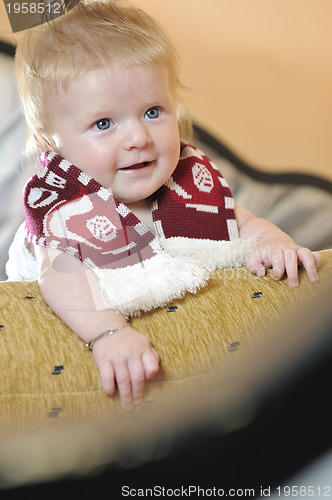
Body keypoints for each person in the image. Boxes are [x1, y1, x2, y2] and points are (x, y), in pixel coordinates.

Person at [8, 0, 320, 411]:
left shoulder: (192, 184)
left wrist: (274, 243)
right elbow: (60, 278)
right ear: (50, 143)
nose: (138, 137)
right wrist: (108, 334)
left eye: (153, 111)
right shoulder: (64, 211)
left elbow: (245, 224)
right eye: (104, 123)